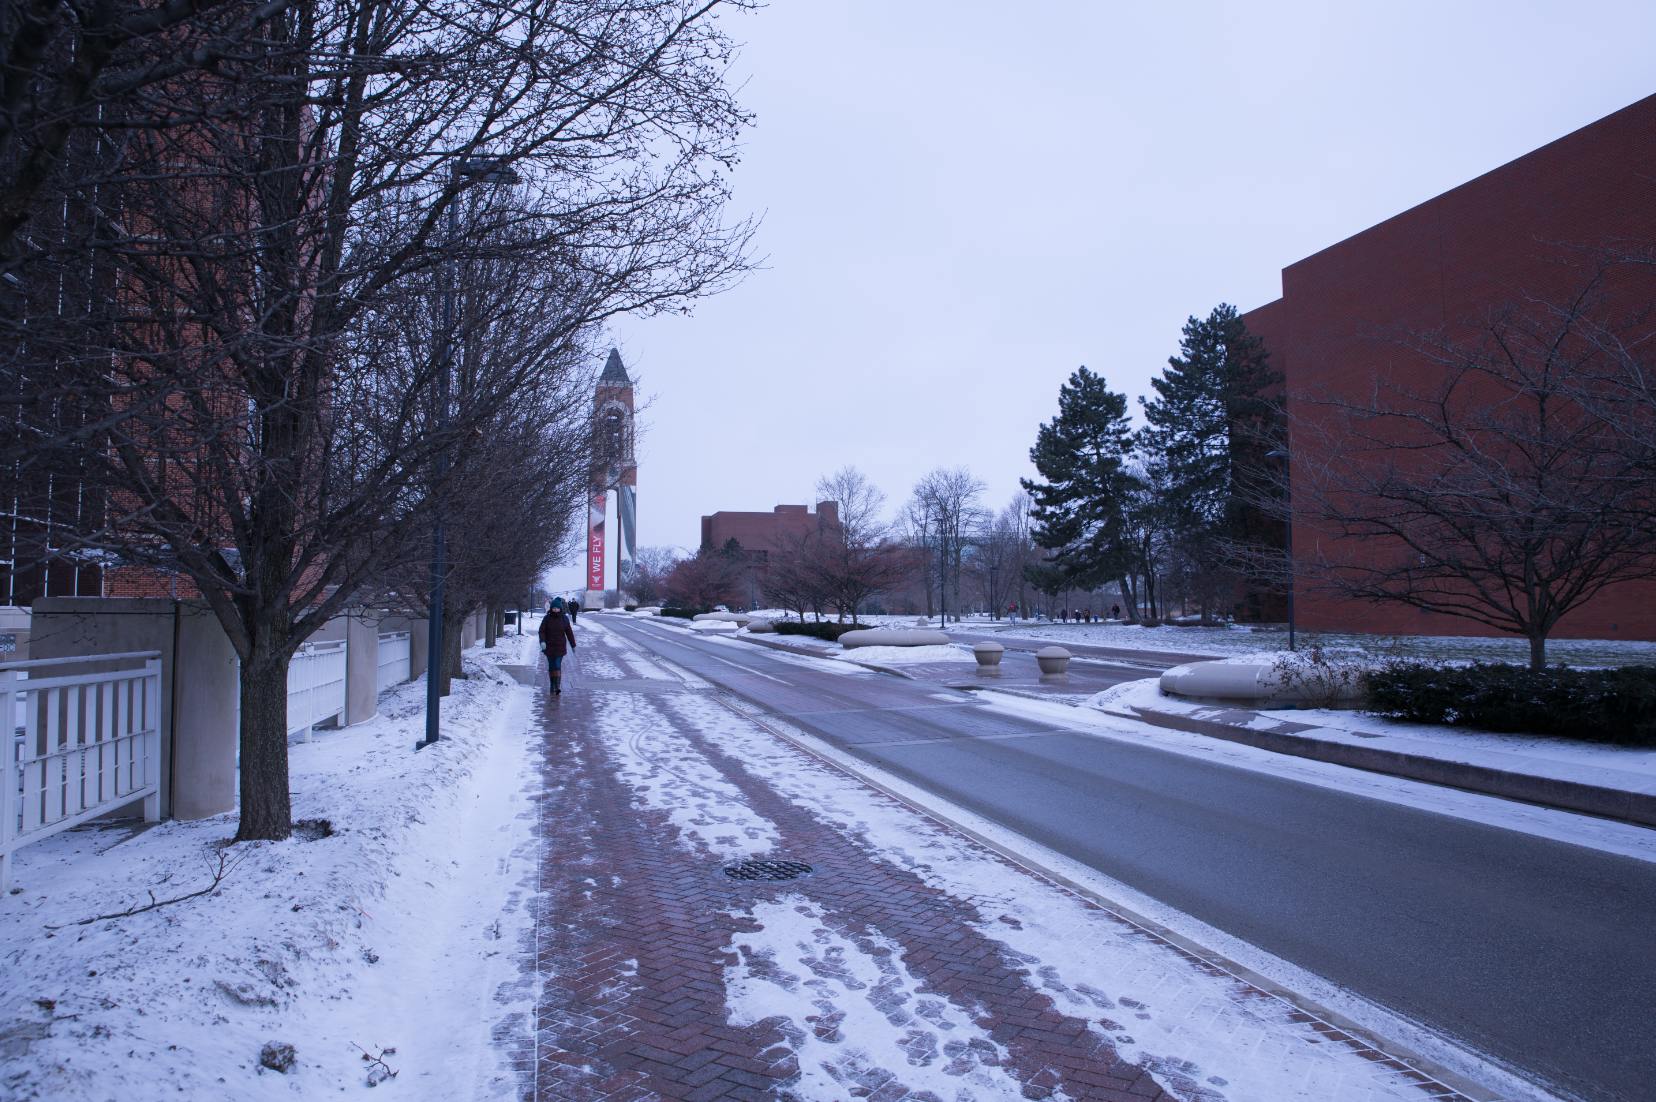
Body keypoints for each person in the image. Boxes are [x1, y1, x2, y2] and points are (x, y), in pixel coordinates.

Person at [539, 597, 577, 695]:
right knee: (551, 666)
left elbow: (569, 632)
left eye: (557, 608)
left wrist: (573, 645)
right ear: (551, 608)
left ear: (560, 608)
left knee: (557, 664)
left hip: (560, 646)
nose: (555, 610)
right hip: (549, 646)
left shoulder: (564, 619)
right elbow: (542, 631)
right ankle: (552, 684)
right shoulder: (547, 618)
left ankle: (557, 686)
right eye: (554, 608)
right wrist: (542, 642)